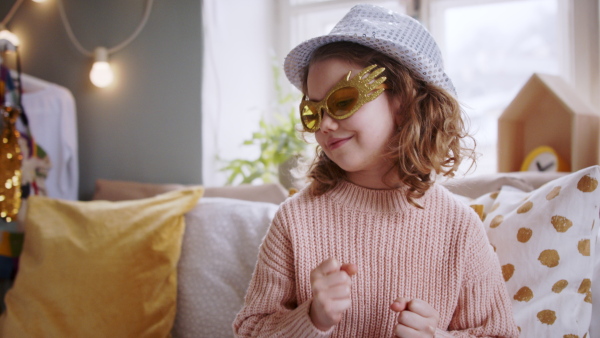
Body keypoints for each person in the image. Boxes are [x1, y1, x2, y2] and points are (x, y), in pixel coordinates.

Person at [233, 4, 519, 337]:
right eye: (313, 110)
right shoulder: (294, 222)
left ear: (406, 100)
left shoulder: (459, 229)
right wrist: (311, 318)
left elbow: (500, 333)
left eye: (342, 101)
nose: (324, 124)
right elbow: (250, 330)